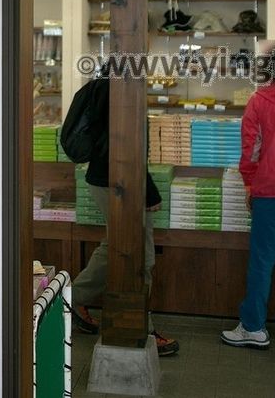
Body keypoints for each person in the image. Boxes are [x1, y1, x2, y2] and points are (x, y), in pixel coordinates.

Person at [70, 71, 180, 357]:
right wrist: (149, 191)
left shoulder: (103, 86)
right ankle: (141, 327)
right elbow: (128, 148)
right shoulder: (122, 91)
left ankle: (69, 298)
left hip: (107, 179)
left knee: (115, 246)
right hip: (119, 183)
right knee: (140, 255)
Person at [221, 43, 275, 349]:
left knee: (262, 260)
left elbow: (251, 148)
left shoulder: (259, 101)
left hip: (272, 190)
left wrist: (249, 184)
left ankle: (254, 327)